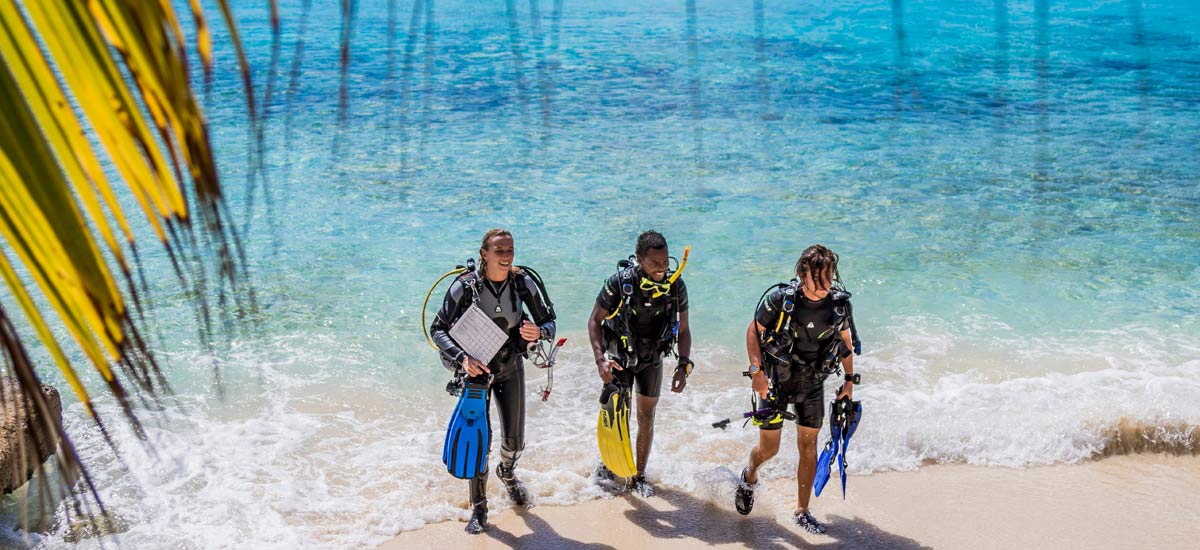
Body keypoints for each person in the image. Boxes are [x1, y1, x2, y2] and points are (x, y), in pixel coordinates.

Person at [430, 229, 556, 534]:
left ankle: (508, 473)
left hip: (511, 366)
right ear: (484, 254)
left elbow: (550, 321)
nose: (506, 255)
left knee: (514, 440)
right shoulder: (464, 287)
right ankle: (480, 509)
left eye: (510, 250)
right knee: (478, 444)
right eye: (499, 250)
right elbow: (437, 329)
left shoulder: (522, 282)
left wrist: (538, 332)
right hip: (477, 375)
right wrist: (462, 359)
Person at [735, 244, 860, 534]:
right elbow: (754, 330)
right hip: (775, 383)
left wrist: (850, 381)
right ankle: (749, 474)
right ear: (802, 274)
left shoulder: (839, 305)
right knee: (770, 449)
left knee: (809, 446)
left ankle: (802, 511)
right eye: (818, 278)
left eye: (829, 277)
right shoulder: (782, 300)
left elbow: (845, 342)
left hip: (813, 383)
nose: (824, 285)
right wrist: (756, 372)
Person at [587, 230, 692, 497]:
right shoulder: (620, 283)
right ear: (640, 260)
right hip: (620, 357)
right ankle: (609, 465)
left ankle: (639, 476)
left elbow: (684, 330)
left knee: (646, 417)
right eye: (655, 263)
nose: (662, 268)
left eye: (666, 262)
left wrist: (683, 365)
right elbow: (594, 321)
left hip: (652, 358)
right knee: (617, 413)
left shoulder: (676, 285)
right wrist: (600, 360)